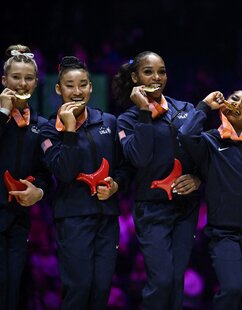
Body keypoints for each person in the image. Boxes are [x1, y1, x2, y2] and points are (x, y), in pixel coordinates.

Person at [39, 56, 131, 310]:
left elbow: (124, 167)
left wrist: (116, 186)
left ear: (91, 87)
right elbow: (64, 173)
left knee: (101, 290)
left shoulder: (109, 122)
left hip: (107, 219)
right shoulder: (48, 130)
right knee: (79, 289)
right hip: (73, 219)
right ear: (59, 89)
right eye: (70, 85)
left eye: (83, 85)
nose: (77, 92)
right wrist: (69, 131)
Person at [178, 89, 242, 308]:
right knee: (232, 289)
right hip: (225, 234)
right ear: (224, 105)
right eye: (234, 99)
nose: (238, 104)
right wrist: (205, 105)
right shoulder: (209, 142)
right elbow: (186, 134)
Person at [113, 51, 201, 309]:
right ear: (135, 77)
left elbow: (203, 155)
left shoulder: (185, 109)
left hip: (186, 208)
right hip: (152, 210)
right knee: (161, 281)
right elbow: (139, 158)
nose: (156, 77)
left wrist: (197, 178)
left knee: (175, 281)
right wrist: (143, 112)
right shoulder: (126, 120)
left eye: (161, 71)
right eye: (148, 71)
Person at [0, 44, 52, 310]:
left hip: (18, 220)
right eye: (16, 77)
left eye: (29, 78)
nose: (22, 84)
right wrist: (3, 113)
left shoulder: (40, 125)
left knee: (13, 286)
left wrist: (38, 192)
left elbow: (45, 173)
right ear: (4, 81)